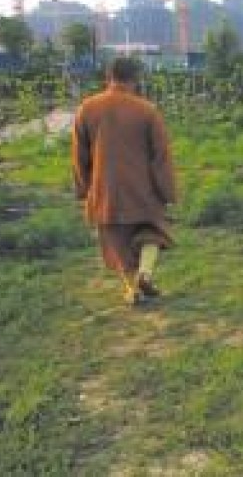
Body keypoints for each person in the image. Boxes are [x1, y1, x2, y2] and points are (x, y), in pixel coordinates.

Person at [72, 56, 176, 306]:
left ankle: (133, 288)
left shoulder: (87, 108)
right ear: (135, 79)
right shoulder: (146, 110)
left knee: (116, 244)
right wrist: (167, 191)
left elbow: (80, 155)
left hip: (105, 190)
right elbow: (161, 155)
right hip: (143, 190)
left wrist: (83, 189)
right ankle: (145, 274)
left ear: (108, 77)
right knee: (154, 232)